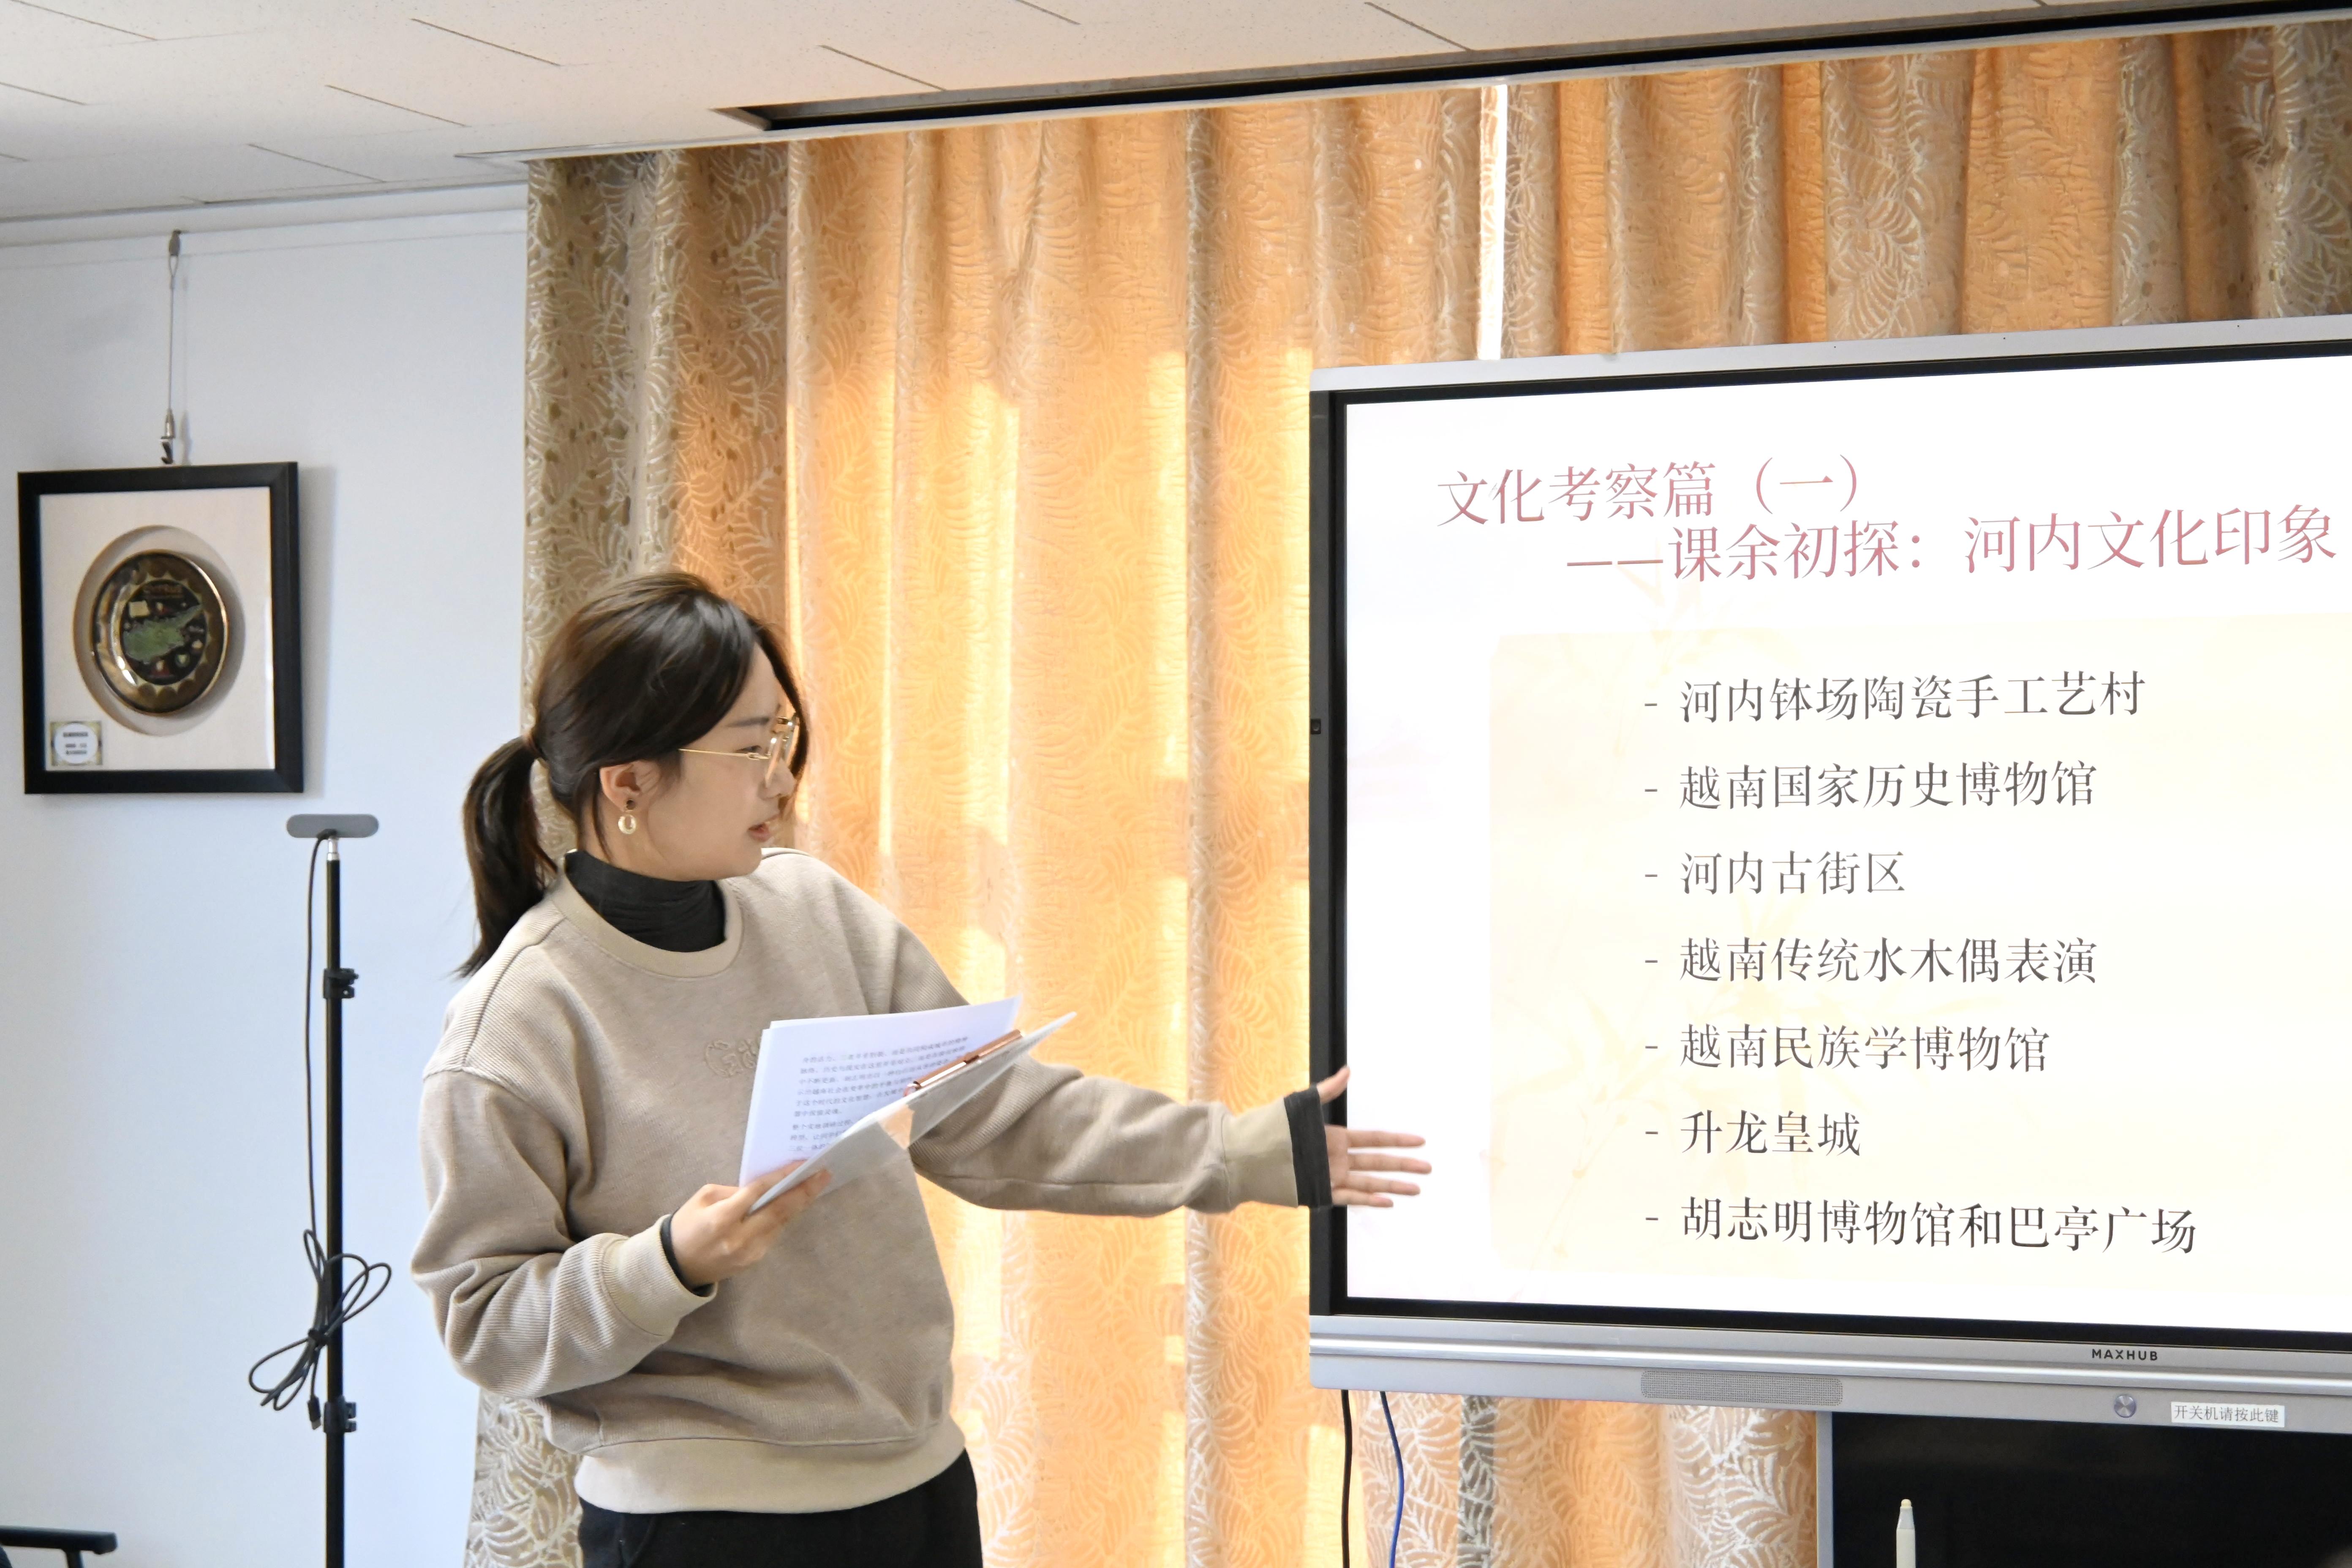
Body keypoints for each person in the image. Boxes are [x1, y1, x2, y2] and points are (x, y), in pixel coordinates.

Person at [411, 573, 1429, 1568]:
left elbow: (1001, 1115)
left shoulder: (815, 911)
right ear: (628, 783)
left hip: (918, 1490)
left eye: (783, 735)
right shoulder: (520, 1022)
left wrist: (1252, 1150)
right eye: (750, 745)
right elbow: (487, 1319)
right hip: (700, 1525)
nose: (783, 778)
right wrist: (670, 1260)